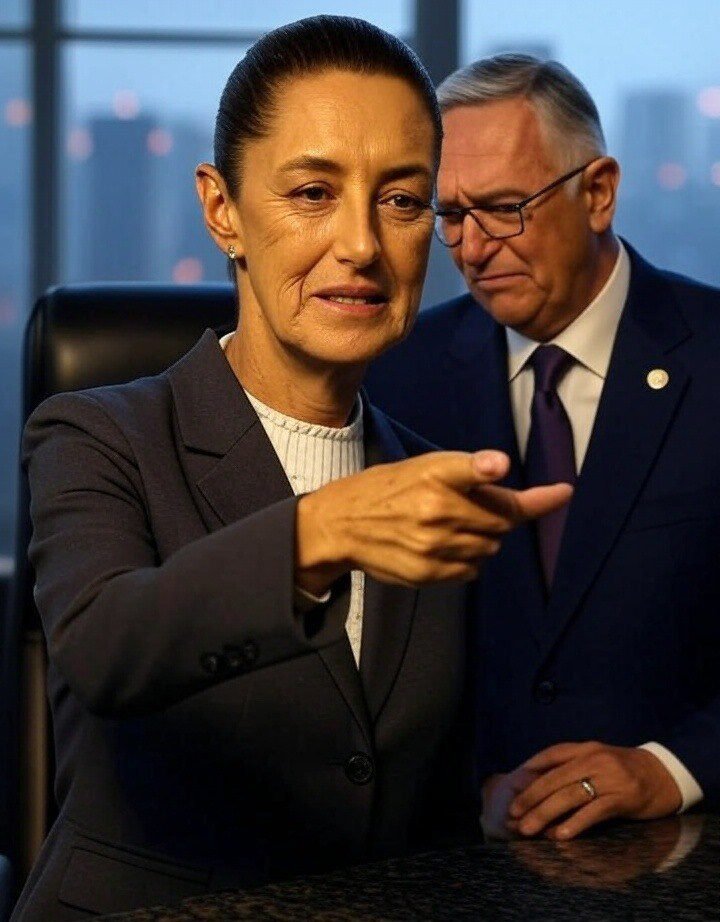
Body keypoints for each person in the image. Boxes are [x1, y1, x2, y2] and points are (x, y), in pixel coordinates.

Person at [11, 24, 569, 922]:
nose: (362, 245)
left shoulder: (429, 480)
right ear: (222, 209)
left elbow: (423, 786)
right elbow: (105, 646)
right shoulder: (97, 434)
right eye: (314, 192)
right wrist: (322, 531)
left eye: (402, 200)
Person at [365, 53, 720, 842]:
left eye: (503, 208)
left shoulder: (712, 356)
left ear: (598, 193)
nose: (472, 248)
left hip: (683, 850)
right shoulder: (398, 377)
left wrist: (671, 769)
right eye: (451, 215)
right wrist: (466, 791)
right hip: (458, 856)